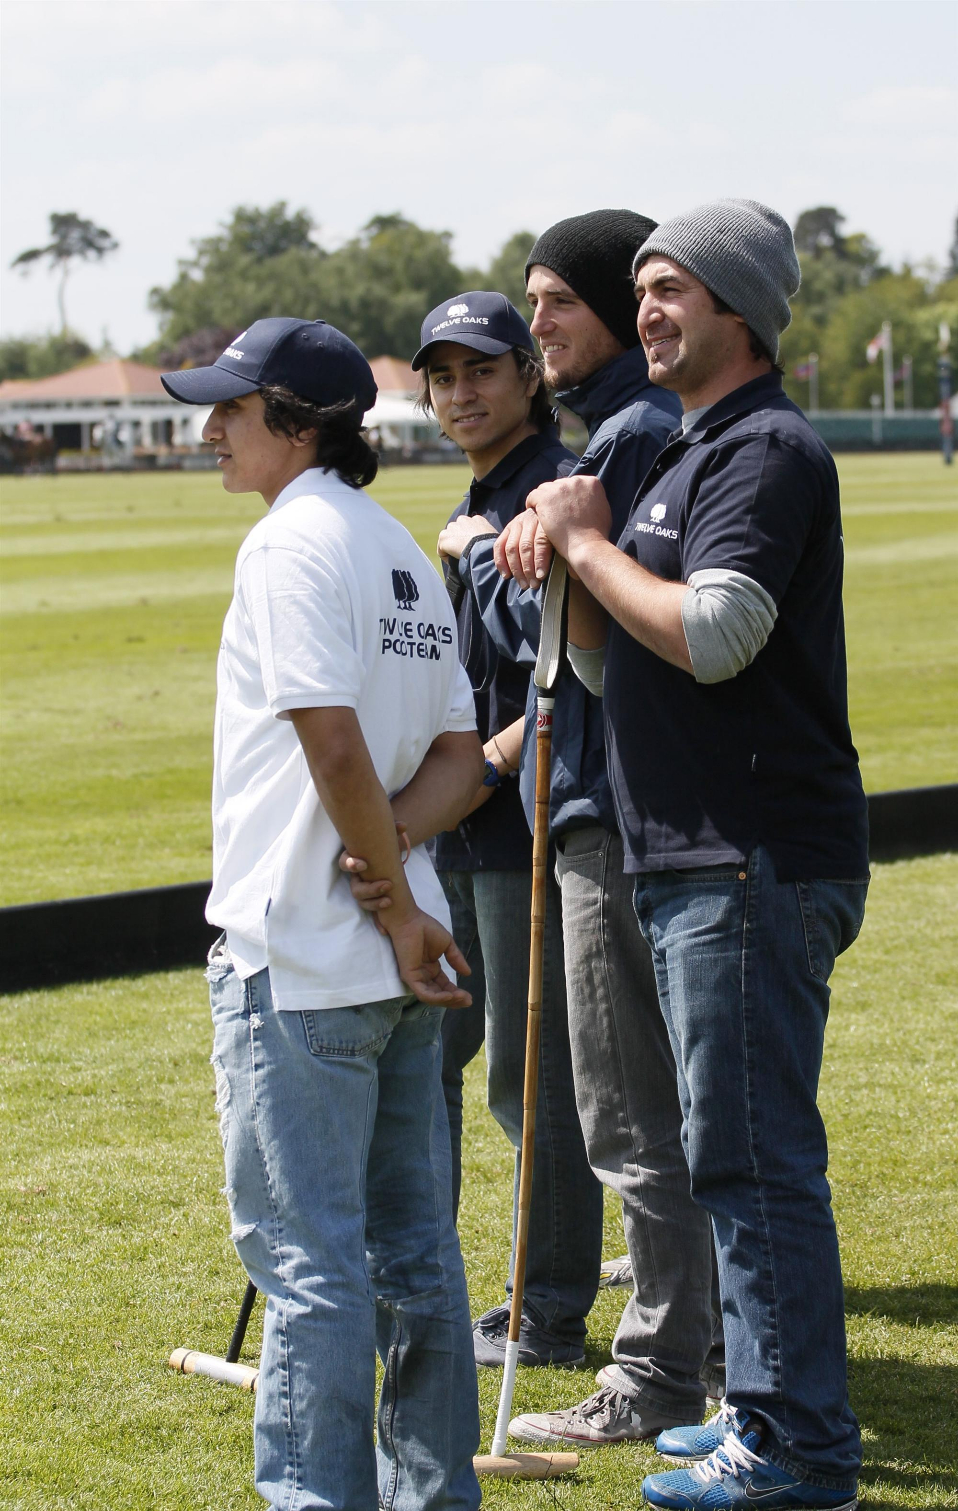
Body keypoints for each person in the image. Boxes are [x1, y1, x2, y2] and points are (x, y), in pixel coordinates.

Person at [516, 199, 869, 1509]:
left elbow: (716, 630)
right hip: (686, 858)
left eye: (673, 290)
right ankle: (762, 1413)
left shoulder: (763, 448)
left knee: (753, 1154)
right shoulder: (681, 450)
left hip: (745, 855)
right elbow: (616, 661)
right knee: (728, 1150)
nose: (648, 310)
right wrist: (573, 555)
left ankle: (794, 1447)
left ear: (738, 310)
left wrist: (591, 541)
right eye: (644, 289)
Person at [161, 318, 484, 1511]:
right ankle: (436, 1495)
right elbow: (460, 757)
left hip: (303, 961)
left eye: (231, 410)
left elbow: (330, 736)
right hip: (400, 966)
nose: (209, 430)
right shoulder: (396, 543)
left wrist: (387, 899)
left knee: (310, 1268)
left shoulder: (287, 546)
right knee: (416, 1258)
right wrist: (398, 869)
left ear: (298, 423)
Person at [445, 212, 721, 1446]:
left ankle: (660, 1369)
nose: (538, 321)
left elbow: (553, 639)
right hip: (609, 802)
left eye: (555, 300)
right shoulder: (625, 427)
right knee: (645, 1107)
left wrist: (500, 560)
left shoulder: (627, 431)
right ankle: (698, 1354)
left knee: (622, 1111)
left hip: (604, 806)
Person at [418, 291, 604, 1367]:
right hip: (464, 820)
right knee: (437, 1048)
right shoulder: (486, 492)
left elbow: (561, 667)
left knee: (530, 1083)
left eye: (481, 369)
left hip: (521, 814)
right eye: (442, 377)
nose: (460, 393)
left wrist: (491, 756)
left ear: (528, 373)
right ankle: (424, 1263)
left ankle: (548, 1308)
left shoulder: (549, 489)